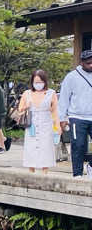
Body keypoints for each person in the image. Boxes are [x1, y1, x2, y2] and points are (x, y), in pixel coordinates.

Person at [58, 49, 92, 179]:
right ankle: (77, 174)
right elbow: (64, 98)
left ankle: (91, 166)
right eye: (88, 63)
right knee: (78, 145)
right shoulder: (71, 77)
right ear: (82, 63)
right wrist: (62, 118)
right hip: (77, 117)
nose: (91, 65)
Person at [19, 69, 59, 174]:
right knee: (31, 148)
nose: (38, 84)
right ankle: (31, 172)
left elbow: (55, 111)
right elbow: (20, 109)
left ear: (45, 82)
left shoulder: (51, 93)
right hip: (32, 125)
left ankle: (45, 172)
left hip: (46, 124)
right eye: (36, 82)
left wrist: (57, 126)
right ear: (32, 82)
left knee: (45, 148)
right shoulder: (27, 93)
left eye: (40, 82)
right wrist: (26, 107)